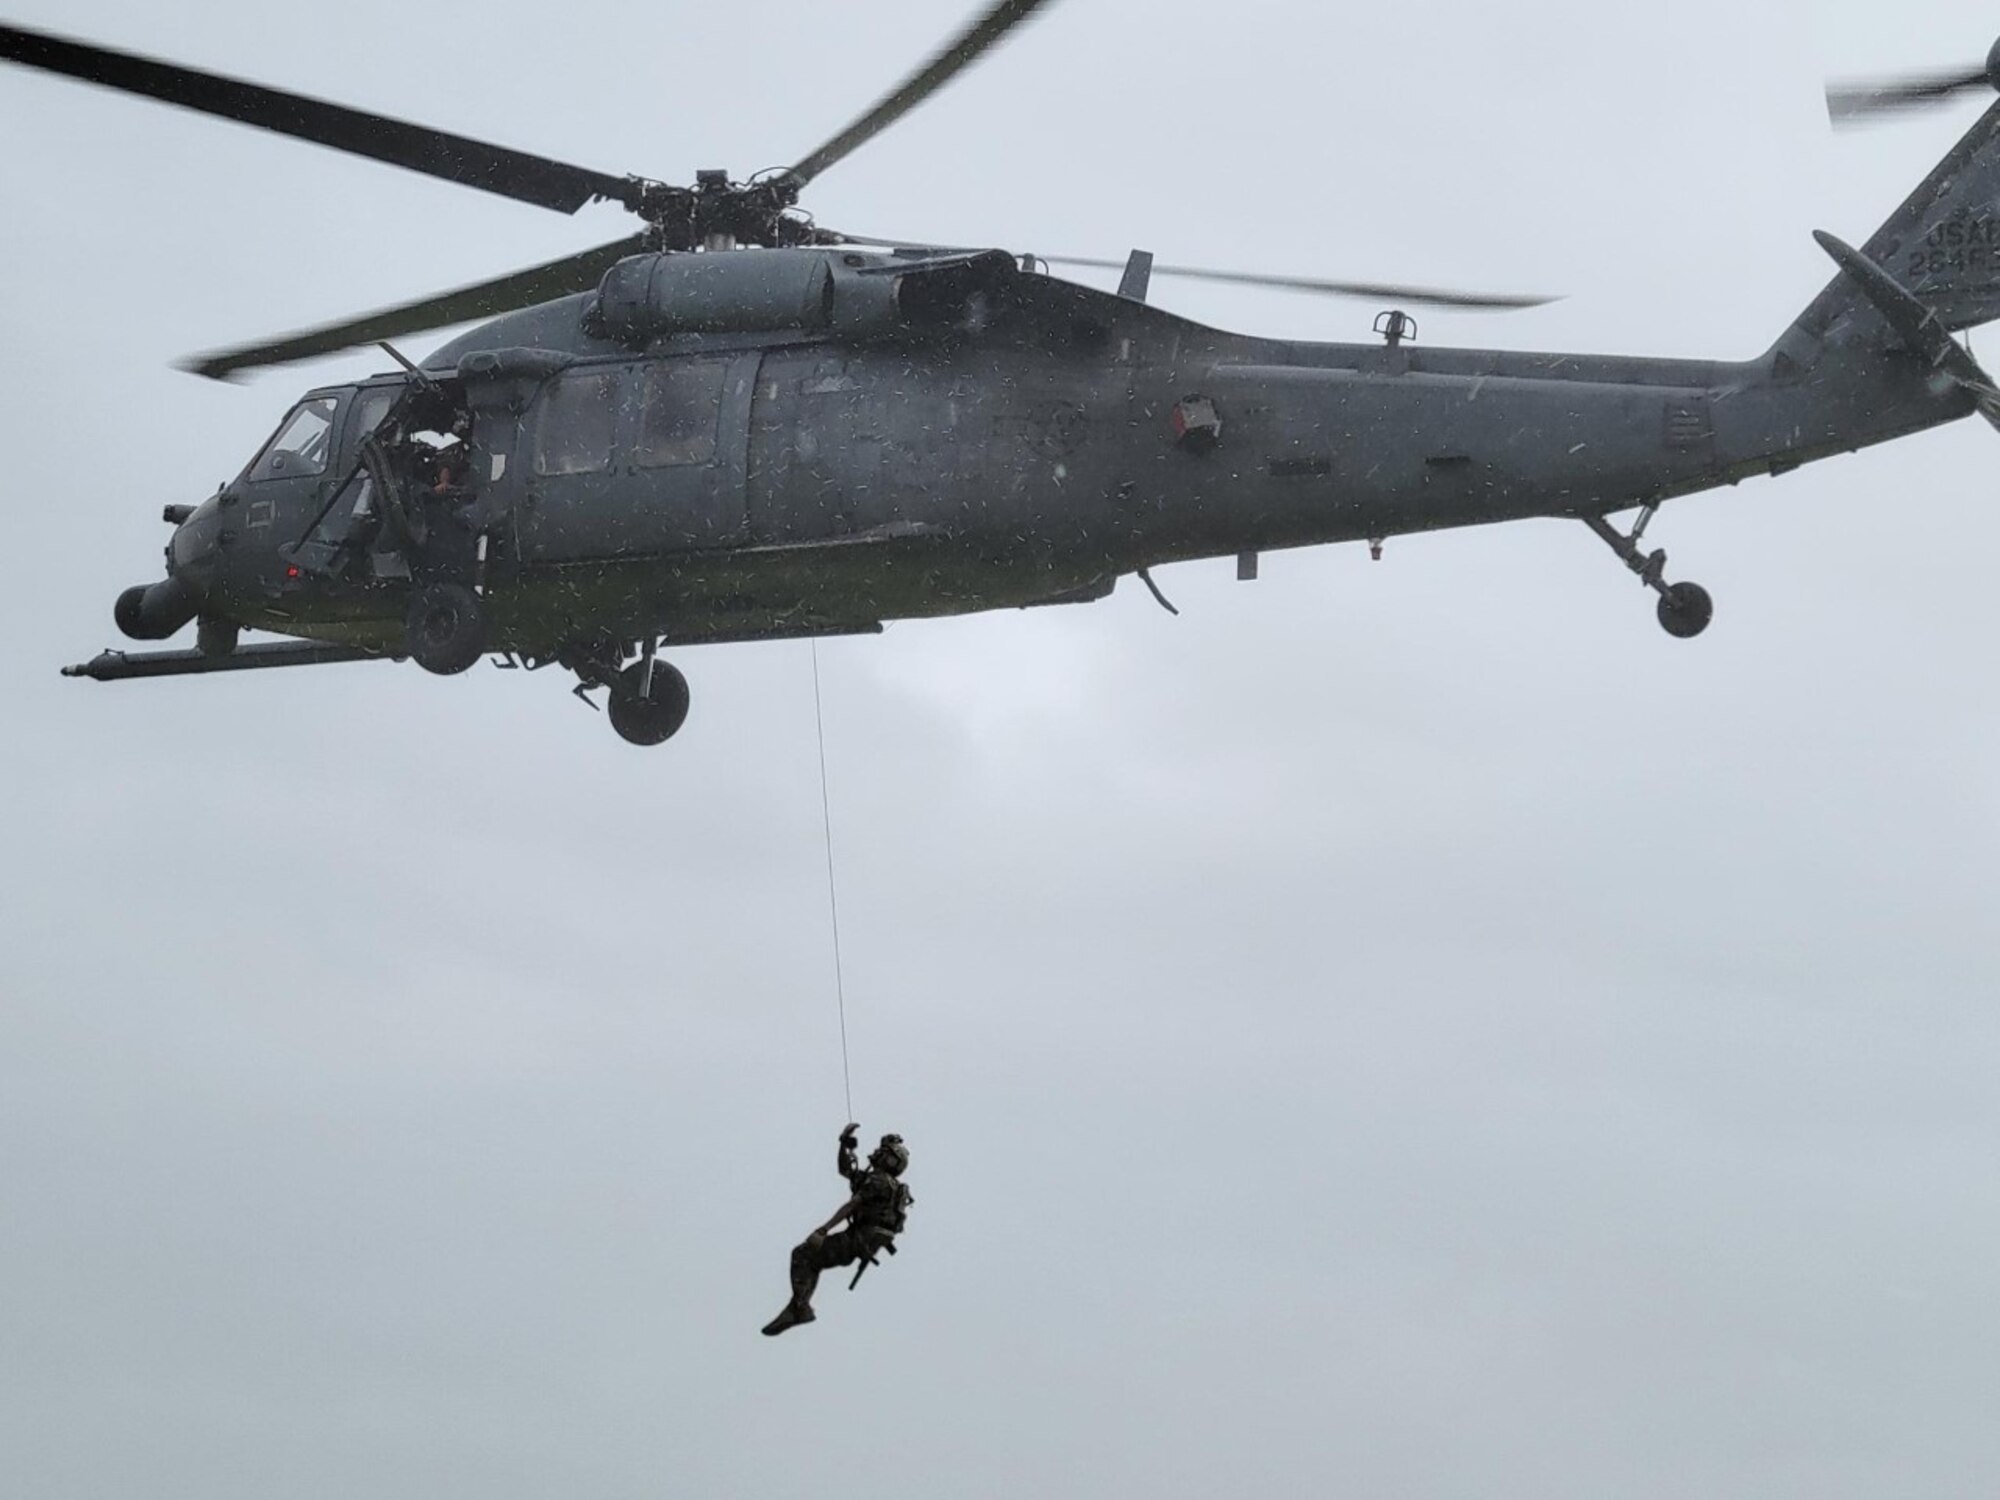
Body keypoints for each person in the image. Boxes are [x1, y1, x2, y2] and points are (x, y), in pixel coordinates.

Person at [762, 1124, 913, 1336]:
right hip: (865, 1240)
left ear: (891, 1161)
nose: (878, 1153)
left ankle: (799, 1308)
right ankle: (799, 1306)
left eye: (884, 1153)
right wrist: (844, 1144)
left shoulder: (878, 1181)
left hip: (859, 1239)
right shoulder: (883, 1182)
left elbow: (853, 1205)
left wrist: (823, 1229)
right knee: (812, 1258)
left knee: (803, 1254)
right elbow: (846, 1170)